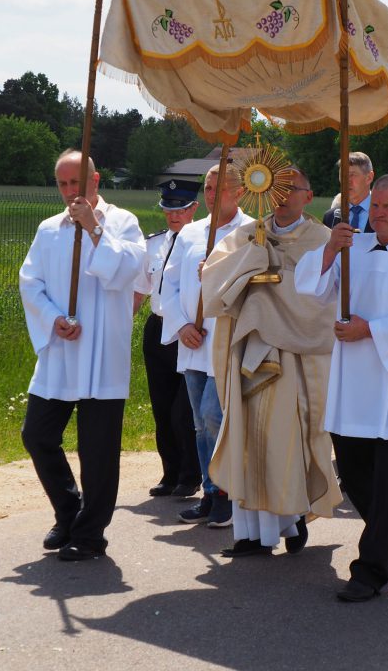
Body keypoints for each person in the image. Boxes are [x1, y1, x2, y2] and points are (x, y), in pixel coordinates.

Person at [295, 174, 388, 601]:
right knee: (352, 473)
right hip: (354, 382)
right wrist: (330, 248)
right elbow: (310, 288)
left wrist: (371, 330)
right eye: (375, 206)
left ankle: (371, 570)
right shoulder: (352, 247)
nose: (379, 214)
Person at [203, 168, 342, 558]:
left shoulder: (323, 240)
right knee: (248, 437)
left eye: (291, 188)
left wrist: (270, 294)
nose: (282, 196)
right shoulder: (248, 235)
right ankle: (250, 535)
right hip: (250, 352)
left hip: (296, 359)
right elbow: (214, 280)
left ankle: (292, 518)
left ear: (308, 195)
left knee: (286, 441)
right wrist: (252, 261)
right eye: (276, 188)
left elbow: (325, 301)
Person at [18, 150, 146, 561]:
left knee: (98, 450)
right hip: (61, 348)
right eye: (63, 183)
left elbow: (128, 272)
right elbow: (30, 282)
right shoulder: (49, 229)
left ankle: (90, 535)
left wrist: (94, 229)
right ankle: (69, 511)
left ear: (96, 180)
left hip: (102, 352)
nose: (70, 191)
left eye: (77, 182)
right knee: (37, 435)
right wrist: (53, 318)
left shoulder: (123, 222)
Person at [161, 163, 252, 528]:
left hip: (227, 341)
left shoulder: (250, 232)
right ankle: (210, 490)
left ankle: (227, 491)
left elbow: (255, 286)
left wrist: (218, 275)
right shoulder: (190, 233)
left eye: (220, 188)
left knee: (216, 415)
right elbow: (169, 284)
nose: (212, 195)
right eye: (209, 188)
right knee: (199, 422)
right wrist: (181, 325)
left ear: (239, 192)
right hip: (193, 340)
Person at [134, 179, 202, 499]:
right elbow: (140, 289)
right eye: (168, 209)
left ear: (194, 208)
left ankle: (191, 475)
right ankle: (170, 473)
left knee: (183, 412)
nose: (173, 216)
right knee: (162, 408)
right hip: (158, 327)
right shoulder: (154, 244)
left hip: (188, 332)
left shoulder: (201, 241)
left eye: (181, 209)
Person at [323, 152, 375, 232]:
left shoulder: (384, 214)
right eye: (342, 175)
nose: (346, 181)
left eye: (352, 175)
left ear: (369, 178)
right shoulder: (330, 217)